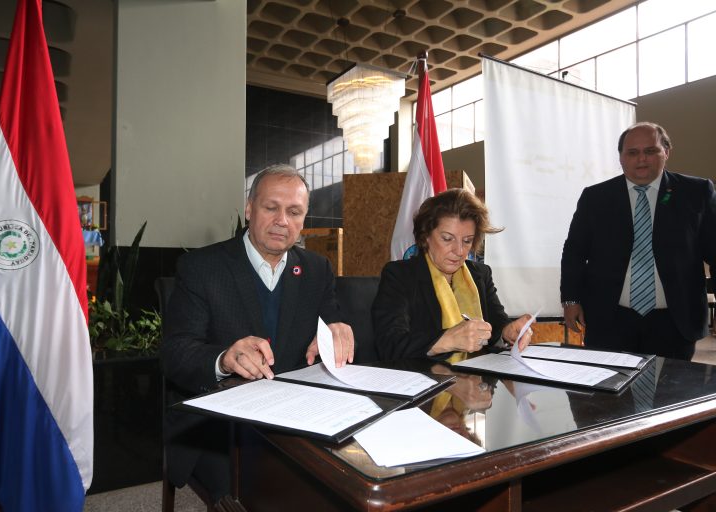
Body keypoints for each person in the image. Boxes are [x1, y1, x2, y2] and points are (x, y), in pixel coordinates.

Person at [161, 164, 354, 502]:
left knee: (341, 481)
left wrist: (336, 331)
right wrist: (223, 359)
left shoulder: (317, 269)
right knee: (270, 493)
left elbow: (331, 322)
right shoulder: (202, 267)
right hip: (220, 424)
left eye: (294, 212)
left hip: (297, 416)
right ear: (249, 209)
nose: (282, 220)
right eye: (271, 207)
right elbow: (176, 353)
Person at [560, 122, 716, 360]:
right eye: (632, 152)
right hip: (610, 320)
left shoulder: (697, 193)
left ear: (666, 152)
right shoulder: (596, 198)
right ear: (621, 157)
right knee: (608, 383)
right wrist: (571, 299)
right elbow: (574, 252)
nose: (641, 159)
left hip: (675, 322)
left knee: (667, 384)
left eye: (650, 151)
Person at [372, 188, 533, 362]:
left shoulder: (480, 274)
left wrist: (508, 332)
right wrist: (449, 340)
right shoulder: (400, 275)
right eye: (447, 239)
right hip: (427, 376)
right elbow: (390, 345)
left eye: (467, 241)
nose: (459, 251)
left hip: (478, 375)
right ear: (426, 236)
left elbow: (497, 322)